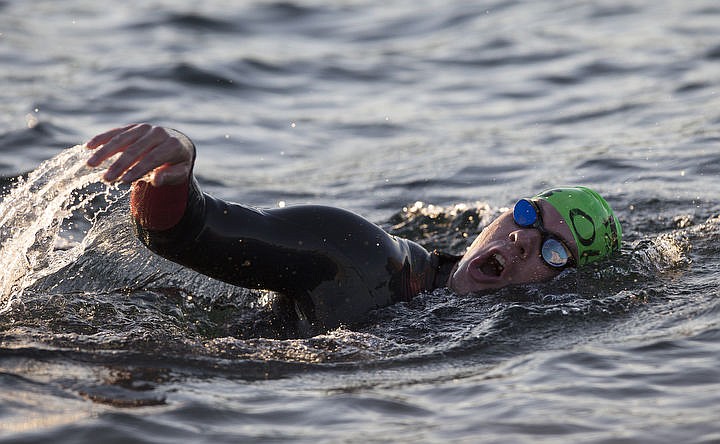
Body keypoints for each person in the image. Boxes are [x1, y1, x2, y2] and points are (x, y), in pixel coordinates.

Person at [85, 124, 622, 336]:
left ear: (567, 288)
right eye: (527, 215)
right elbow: (183, 234)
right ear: (499, 216)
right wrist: (174, 170)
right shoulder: (359, 258)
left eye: (554, 253)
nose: (524, 239)